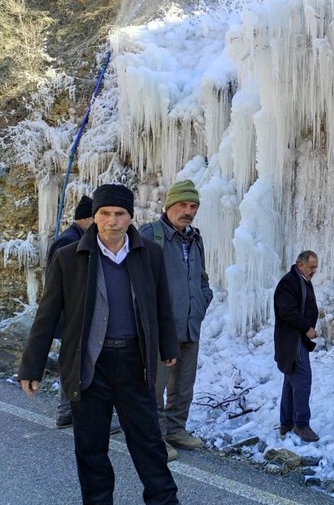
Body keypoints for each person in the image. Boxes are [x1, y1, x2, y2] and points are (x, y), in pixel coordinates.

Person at [19, 183, 180, 505]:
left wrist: (168, 347)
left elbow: (162, 303)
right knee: (91, 448)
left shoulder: (150, 253)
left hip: (135, 364)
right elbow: (47, 314)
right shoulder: (69, 257)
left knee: (148, 443)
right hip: (90, 365)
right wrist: (31, 365)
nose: (112, 221)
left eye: (120, 214)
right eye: (104, 213)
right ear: (94, 217)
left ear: (130, 217)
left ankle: (164, 501)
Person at [140, 179, 213, 461]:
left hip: (190, 325)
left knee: (184, 384)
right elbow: (137, 282)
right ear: (170, 205)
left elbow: (202, 278)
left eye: (193, 206)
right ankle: (155, 438)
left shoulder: (195, 238)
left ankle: (176, 430)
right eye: (183, 204)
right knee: (155, 386)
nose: (188, 210)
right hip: (160, 329)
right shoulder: (150, 235)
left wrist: (203, 301)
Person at [46, 194, 94, 429]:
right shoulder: (67, 242)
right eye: (97, 217)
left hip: (73, 314)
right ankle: (66, 412)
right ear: (85, 219)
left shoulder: (76, 237)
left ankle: (69, 410)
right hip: (69, 316)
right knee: (72, 361)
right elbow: (57, 285)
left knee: (76, 360)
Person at [274, 250, 320, 442]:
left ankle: (286, 423)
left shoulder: (301, 281)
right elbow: (287, 311)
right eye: (311, 267)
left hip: (296, 340)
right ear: (300, 265)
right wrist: (307, 328)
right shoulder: (289, 282)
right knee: (302, 381)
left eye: (316, 267)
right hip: (293, 341)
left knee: (291, 381)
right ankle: (301, 425)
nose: (314, 271)